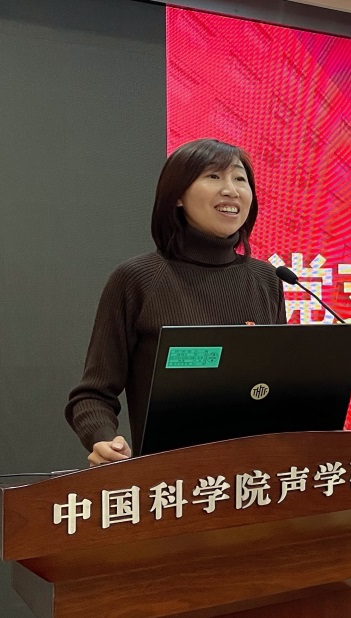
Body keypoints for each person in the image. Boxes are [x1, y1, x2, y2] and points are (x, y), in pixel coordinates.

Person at [65, 138, 286, 466]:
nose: (231, 190)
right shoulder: (137, 278)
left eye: (240, 179)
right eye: (214, 176)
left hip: (258, 476)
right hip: (171, 480)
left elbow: (277, 388)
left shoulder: (267, 279)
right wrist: (104, 439)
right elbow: (92, 395)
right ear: (178, 195)